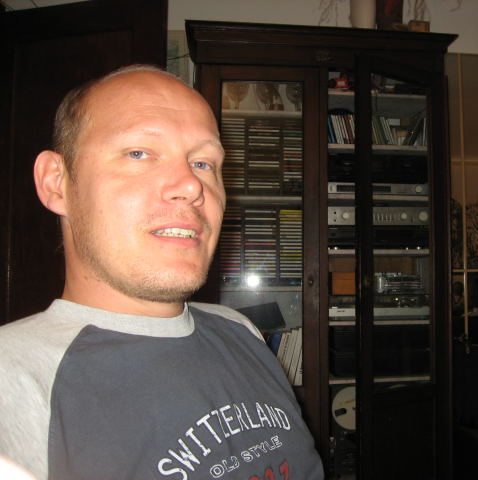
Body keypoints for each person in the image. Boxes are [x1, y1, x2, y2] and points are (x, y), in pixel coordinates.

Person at [0, 65, 323, 480]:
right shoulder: (12, 378)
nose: (191, 185)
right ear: (56, 183)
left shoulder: (240, 330)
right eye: (139, 153)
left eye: (203, 163)